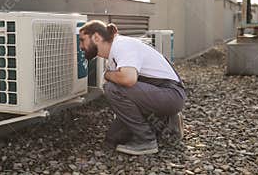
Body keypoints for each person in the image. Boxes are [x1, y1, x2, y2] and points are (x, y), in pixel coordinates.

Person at [79, 20, 186, 155]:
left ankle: (146, 140)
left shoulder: (122, 45)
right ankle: (170, 125)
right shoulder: (114, 55)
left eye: (82, 40)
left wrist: (106, 75)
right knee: (113, 138)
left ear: (96, 37)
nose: (81, 46)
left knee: (112, 88)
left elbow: (128, 79)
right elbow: (128, 100)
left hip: (171, 94)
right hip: (162, 94)